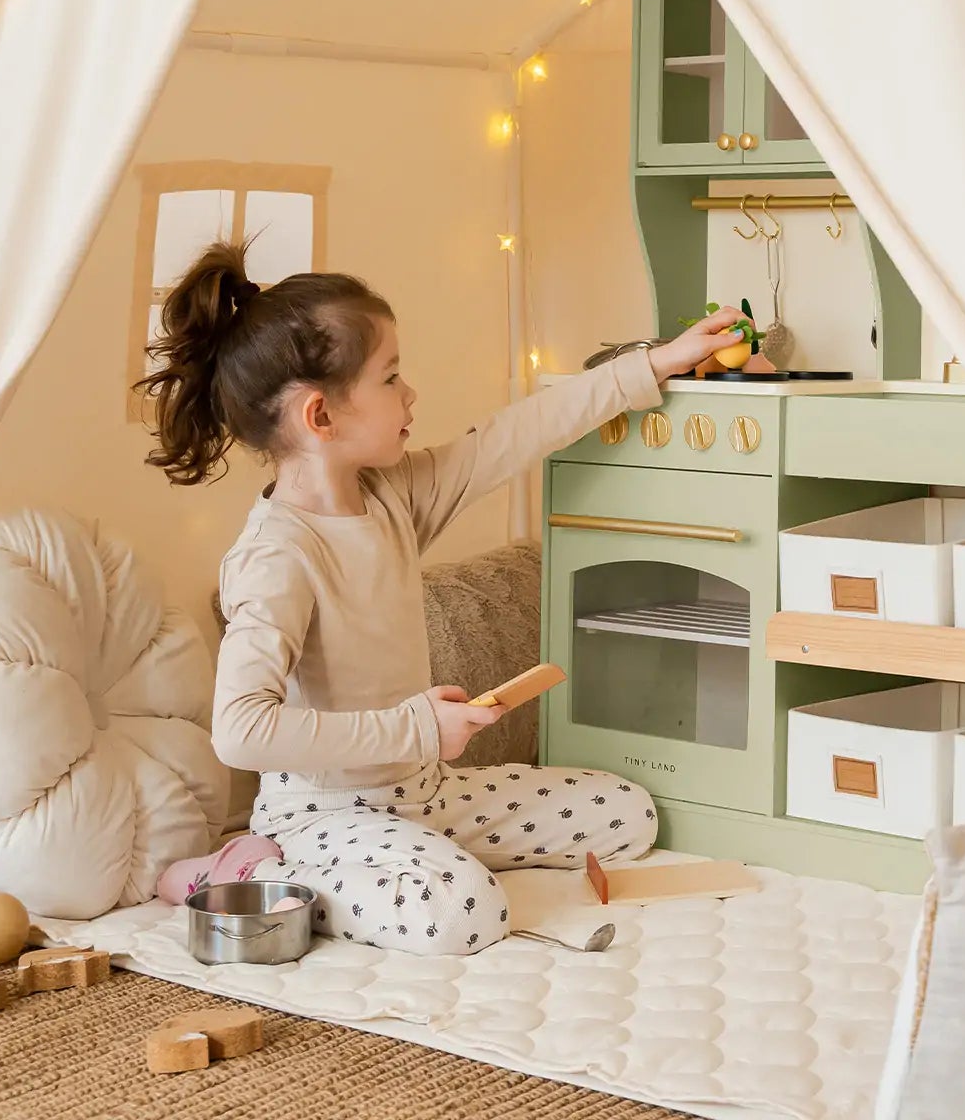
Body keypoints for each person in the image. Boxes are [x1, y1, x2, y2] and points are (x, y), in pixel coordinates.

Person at [137, 241, 746, 955]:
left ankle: (411, 855)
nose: (410, 395)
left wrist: (653, 364)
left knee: (628, 815)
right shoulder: (277, 557)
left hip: (424, 795)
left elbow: (511, 438)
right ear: (319, 416)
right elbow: (241, 730)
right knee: (463, 914)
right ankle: (268, 867)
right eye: (390, 377)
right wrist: (414, 728)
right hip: (321, 811)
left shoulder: (391, 495)